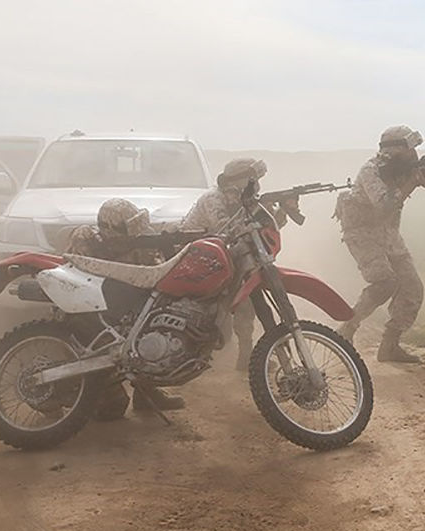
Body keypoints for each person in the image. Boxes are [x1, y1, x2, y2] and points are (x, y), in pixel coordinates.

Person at [333, 125, 425, 363]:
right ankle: (347, 328)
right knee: (385, 282)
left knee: (412, 288)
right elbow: (384, 205)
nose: (414, 154)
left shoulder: (409, 168)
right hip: (362, 235)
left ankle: (390, 346)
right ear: (393, 151)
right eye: (409, 149)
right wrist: (411, 183)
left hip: (389, 236)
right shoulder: (370, 171)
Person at [66, 198, 185, 418]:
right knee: (111, 408)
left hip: (113, 311)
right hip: (84, 313)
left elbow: (153, 276)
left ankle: (146, 392)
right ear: (111, 230)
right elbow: (94, 273)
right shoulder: (85, 239)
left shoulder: (136, 245)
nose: (135, 236)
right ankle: (86, 392)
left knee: (149, 322)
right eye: (129, 231)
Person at [179, 157, 295, 371]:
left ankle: (246, 355)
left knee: (249, 300)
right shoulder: (213, 199)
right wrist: (255, 211)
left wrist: (280, 212)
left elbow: (260, 232)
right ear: (239, 181)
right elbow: (226, 231)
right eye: (253, 180)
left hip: (223, 258)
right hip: (196, 261)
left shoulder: (240, 201)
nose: (257, 186)